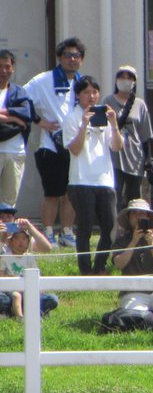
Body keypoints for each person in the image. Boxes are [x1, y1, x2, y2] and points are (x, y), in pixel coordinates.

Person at [24, 37, 86, 247]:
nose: (71, 59)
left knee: (70, 192)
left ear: (82, 59)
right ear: (59, 58)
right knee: (52, 193)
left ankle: (67, 232)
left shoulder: (82, 83)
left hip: (76, 145)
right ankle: (48, 232)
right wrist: (39, 120)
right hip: (50, 145)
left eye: (76, 56)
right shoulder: (44, 80)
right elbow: (21, 99)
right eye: (67, 55)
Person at [62, 76, 122, 275]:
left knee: (110, 227)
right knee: (85, 227)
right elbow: (76, 150)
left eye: (95, 92)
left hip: (104, 180)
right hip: (81, 181)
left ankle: (100, 266)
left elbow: (117, 146)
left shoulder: (104, 116)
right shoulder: (72, 118)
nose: (91, 96)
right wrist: (84, 125)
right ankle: (85, 271)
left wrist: (113, 124)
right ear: (78, 95)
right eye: (86, 92)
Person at [104, 65, 153, 209]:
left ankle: (133, 226)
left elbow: (145, 133)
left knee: (134, 195)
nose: (125, 80)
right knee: (114, 192)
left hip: (135, 154)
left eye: (129, 77)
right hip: (114, 153)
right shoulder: (108, 101)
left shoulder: (140, 104)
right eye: (121, 77)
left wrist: (148, 157)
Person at [0, 218, 57, 319]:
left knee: (52, 299)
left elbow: (47, 248)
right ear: (11, 242)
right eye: (17, 239)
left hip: (29, 289)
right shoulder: (5, 256)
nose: (20, 242)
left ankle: (21, 312)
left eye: (24, 239)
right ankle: (21, 316)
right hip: (11, 291)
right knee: (6, 298)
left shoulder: (29, 256)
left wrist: (29, 226)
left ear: (28, 241)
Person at [0, 50, 34, 208]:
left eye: (7, 66)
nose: (3, 71)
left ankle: (8, 233)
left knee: (9, 203)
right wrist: (14, 118)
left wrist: (6, 116)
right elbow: (20, 119)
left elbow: (27, 115)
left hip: (15, 151)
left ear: (13, 68)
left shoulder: (19, 92)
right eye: (0, 67)